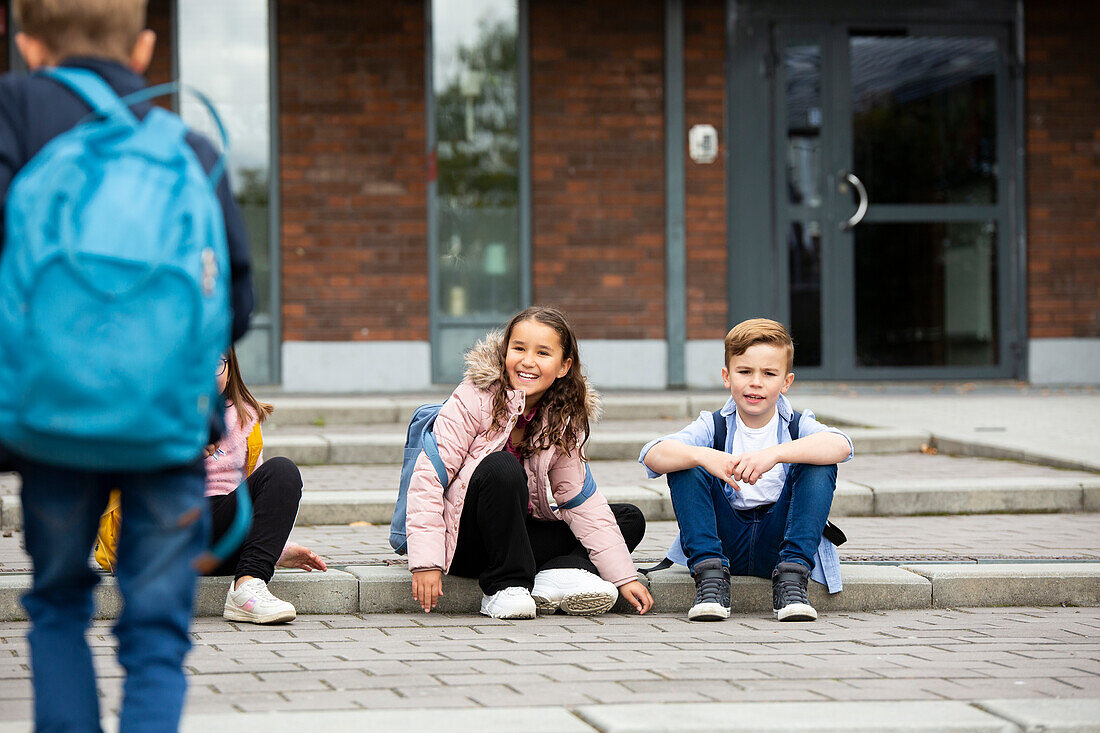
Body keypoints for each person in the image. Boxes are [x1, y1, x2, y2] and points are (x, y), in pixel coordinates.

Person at [0, 0, 253, 729]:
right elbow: (237, 298)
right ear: (142, 49)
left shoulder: (13, 111)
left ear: (27, 44)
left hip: (52, 422)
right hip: (166, 427)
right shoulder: (191, 147)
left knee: (56, 603)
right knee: (156, 627)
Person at [406, 306, 654, 619]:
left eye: (543, 353)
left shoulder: (563, 415)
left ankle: (556, 577)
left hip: (516, 536)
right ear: (504, 351)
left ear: (564, 366)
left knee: (628, 519)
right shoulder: (474, 397)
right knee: (501, 467)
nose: (527, 361)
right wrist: (426, 562)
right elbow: (429, 478)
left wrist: (625, 578)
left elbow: (579, 498)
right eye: (519, 348)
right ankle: (505, 587)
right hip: (463, 541)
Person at [640, 318, 853, 622]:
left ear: (786, 382)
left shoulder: (796, 424)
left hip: (780, 542)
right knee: (686, 460)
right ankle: (711, 581)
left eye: (769, 373)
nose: (756, 382)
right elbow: (652, 454)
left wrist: (775, 455)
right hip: (723, 542)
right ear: (727, 377)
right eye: (745, 372)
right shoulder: (712, 425)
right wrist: (705, 456)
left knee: (818, 462)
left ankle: (792, 583)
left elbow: (841, 445)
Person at [206, 348, 326, 624]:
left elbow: (258, 500)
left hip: (223, 537)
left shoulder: (245, 417)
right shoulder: (158, 413)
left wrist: (278, 549)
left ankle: (247, 584)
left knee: (282, 471)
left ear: (230, 367)